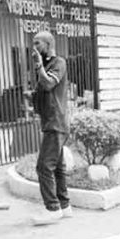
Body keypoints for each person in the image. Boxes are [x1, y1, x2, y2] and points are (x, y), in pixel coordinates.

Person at [29, 31, 73, 225]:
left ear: (48, 44)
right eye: (33, 44)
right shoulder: (47, 66)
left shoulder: (58, 63)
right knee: (57, 168)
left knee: (43, 166)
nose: (34, 48)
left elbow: (48, 84)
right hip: (51, 122)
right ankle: (64, 206)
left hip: (56, 122)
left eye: (37, 43)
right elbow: (45, 92)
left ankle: (52, 208)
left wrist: (39, 65)